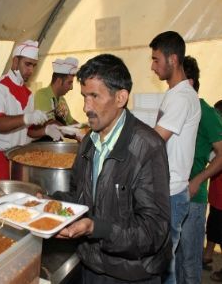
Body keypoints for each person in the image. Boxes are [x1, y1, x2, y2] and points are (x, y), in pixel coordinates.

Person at [50, 54, 171, 283]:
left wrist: (96, 228)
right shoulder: (88, 142)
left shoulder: (147, 147)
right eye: (84, 96)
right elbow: (80, 197)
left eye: (95, 96)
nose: (86, 107)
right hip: (91, 264)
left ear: (120, 98)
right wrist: (49, 203)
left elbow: (153, 231)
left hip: (132, 273)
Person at [149, 31, 201, 284]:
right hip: (165, 190)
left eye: (156, 60)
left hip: (172, 193)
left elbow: (154, 141)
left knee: (165, 268)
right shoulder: (173, 94)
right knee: (162, 264)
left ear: (173, 59)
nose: (152, 66)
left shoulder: (181, 97)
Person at [0, 40, 63, 180]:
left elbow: (29, 131)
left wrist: (46, 131)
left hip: (19, 157)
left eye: (34, 66)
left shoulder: (28, 94)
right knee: (2, 199)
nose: (31, 70)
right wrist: (27, 118)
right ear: (15, 62)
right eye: (27, 64)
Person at [175, 56, 222, 283]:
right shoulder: (177, 108)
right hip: (174, 194)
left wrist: (198, 180)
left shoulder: (206, 112)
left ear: (190, 83)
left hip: (193, 198)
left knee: (190, 263)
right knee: (174, 260)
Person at [204, 100, 222, 282]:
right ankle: (207, 255)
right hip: (217, 199)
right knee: (213, 228)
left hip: (221, 200)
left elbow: (214, 158)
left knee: (218, 230)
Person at [34, 57, 79, 126]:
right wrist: (74, 132)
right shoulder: (42, 95)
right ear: (59, 81)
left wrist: (86, 130)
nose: (71, 88)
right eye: (69, 83)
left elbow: (71, 121)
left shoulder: (62, 100)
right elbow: (50, 124)